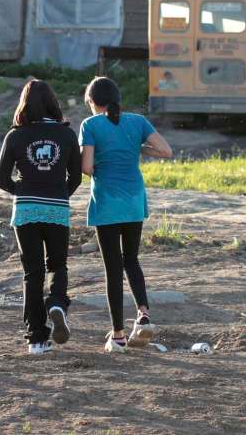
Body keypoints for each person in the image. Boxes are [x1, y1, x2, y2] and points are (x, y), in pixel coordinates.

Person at [79, 77, 173, 353]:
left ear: (93, 102)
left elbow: (87, 168)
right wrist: (137, 149)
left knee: (112, 269)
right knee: (131, 259)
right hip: (134, 202)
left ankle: (118, 335)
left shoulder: (91, 125)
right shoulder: (138, 121)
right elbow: (166, 151)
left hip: (107, 203)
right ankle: (143, 313)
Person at [0, 80, 82, 355]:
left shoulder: (15, 135)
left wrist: (22, 193)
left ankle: (36, 339)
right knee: (58, 265)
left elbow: (1, 180)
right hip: (57, 207)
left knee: (32, 273)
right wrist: (59, 195)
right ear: (53, 103)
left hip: (25, 210)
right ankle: (57, 302)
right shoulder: (67, 135)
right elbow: (77, 178)